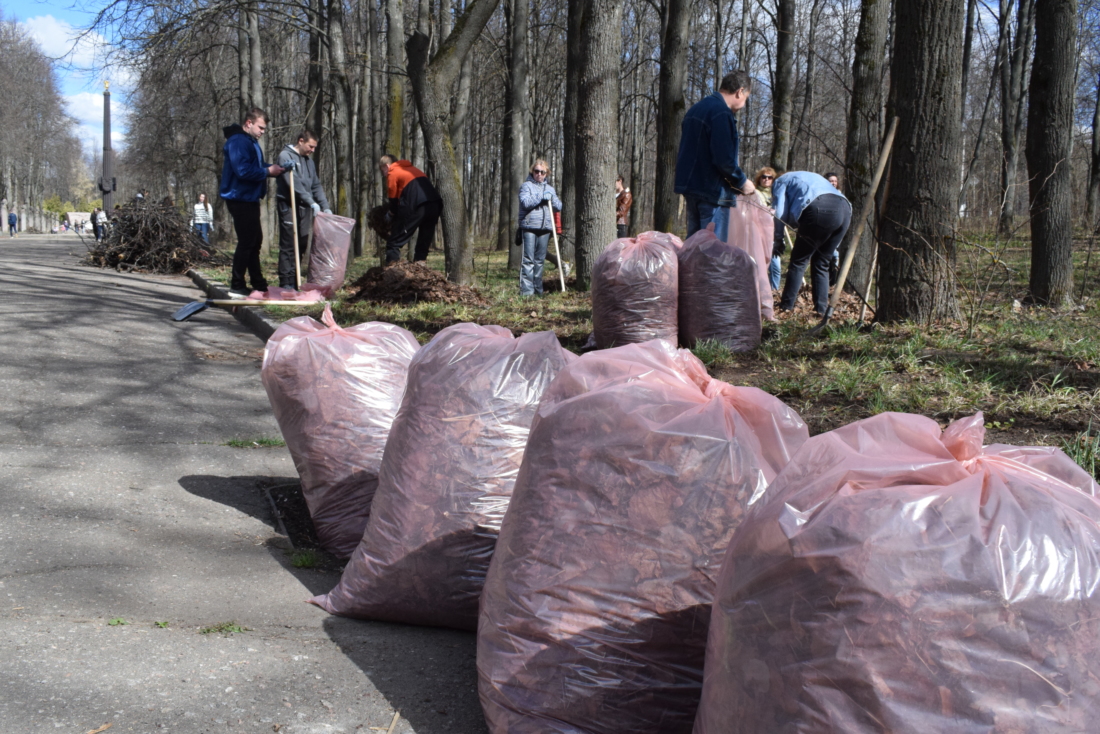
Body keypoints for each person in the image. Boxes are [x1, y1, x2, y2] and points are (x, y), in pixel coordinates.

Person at [674, 69, 755, 239]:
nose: (744, 104)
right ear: (740, 92)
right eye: (746, 98)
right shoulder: (721, 112)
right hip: (713, 192)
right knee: (713, 253)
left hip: (692, 188)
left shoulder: (696, 109)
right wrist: (741, 182)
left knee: (694, 250)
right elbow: (723, 158)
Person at [219, 107, 286, 297]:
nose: (262, 132)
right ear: (249, 123)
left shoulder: (250, 141)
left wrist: (274, 168)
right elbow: (242, 170)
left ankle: (258, 284)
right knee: (247, 241)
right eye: (261, 128)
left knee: (255, 241)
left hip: (249, 197)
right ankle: (237, 284)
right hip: (238, 197)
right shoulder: (238, 141)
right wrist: (267, 172)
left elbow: (254, 166)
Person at [772, 171, 852, 315]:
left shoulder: (781, 181)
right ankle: (821, 310)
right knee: (822, 262)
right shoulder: (811, 178)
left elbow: (779, 213)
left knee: (799, 261)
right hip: (845, 209)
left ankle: (786, 307)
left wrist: (778, 239)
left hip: (820, 208)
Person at [276, 129, 332, 288]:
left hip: (305, 207)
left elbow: (315, 185)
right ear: (301, 141)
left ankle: (295, 280)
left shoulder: (309, 161)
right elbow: (294, 185)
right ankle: (286, 281)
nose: (312, 150)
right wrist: (310, 201)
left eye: (314, 147)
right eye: (310, 146)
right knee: (288, 243)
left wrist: (324, 206)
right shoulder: (285, 156)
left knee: (301, 242)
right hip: (289, 204)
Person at [379, 154, 443, 264]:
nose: (383, 174)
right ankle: (420, 265)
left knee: (393, 243)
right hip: (435, 204)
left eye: (382, 170)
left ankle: (392, 272)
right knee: (424, 239)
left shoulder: (393, 172)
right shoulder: (414, 170)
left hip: (416, 206)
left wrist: (390, 214)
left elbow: (393, 200)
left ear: (387, 165)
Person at [517, 159, 563, 297]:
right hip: (529, 227)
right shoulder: (526, 186)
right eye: (536, 171)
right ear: (532, 172)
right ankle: (527, 292)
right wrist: (540, 197)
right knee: (528, 261)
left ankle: (538, 291)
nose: (539, 174)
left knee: (539, 261)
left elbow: (558, 207)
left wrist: (551, 198)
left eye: (542, 172)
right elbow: (525, 202)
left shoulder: (550, 189)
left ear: (546, 174)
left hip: (545, 228)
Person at [753, 166, 785, 291]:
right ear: (759, 179)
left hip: (774, 233)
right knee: (760, 264)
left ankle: (774, 291)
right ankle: (758, 290)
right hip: (759, 233)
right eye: (763, 177)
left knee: (776, 267)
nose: (766, 180)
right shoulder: (755, 193)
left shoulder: (776, 194)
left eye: (769, 177)